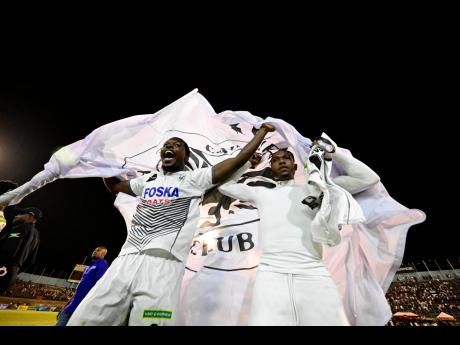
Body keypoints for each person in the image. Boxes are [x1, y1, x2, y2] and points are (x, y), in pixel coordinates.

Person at [67, 124, 275, 326]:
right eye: (166, 144)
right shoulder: (147, 181)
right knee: (85, 321)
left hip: (164, 264)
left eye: (176, 145)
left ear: (187, 156)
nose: (169, 147)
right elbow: (114, 186)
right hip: (125, 260)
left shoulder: (194, 179)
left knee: (153, 321)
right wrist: (103, 163)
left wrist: (262, 132)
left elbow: (237, 160)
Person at [218, 136, 380, 325]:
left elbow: (368, 179)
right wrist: (246, 165)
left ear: (295, 167)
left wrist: (332, 152)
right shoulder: (260, 192)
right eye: (276, 160)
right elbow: (224, 186)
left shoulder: (316, 189)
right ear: (271, 169)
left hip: (313, 271)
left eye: (286, 157)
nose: (282, 161)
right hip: (271, 273)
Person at [56, 246, 109, 326]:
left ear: (103, 253)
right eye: (94, 250)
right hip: (71, 307)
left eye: (98, 250)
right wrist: (66, 304)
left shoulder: (102, 265)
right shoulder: (89, 267)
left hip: (80, 308)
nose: (94, 251)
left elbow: (100, 285)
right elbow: (79, 291)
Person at [0, 206, 42, 294]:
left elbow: (9, 250)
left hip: (3, 267)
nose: (17, 216)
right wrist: (15, 270)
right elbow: (31, 260)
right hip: (12, 273)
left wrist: (5, 265)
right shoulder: (36, 235)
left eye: (21, 214)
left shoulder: (20, 228)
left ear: (30, 216)